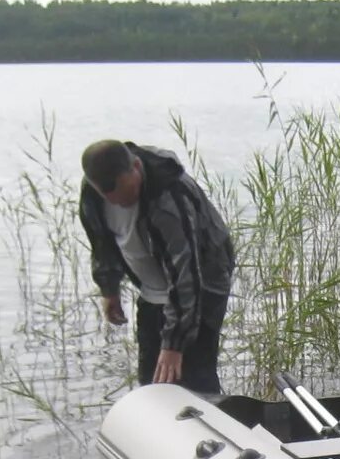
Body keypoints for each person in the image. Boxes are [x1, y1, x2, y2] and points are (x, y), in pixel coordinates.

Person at [78, 139, 235, 393]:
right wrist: (109, 289)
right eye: (114, 201)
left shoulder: (170, 196)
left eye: (128, 197)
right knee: (152, 379)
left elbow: (186, 275)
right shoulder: (93, 192)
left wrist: (175, 344)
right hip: (152, 290)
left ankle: (211, 425)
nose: (121, 204)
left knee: (194, 378)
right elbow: (101, 242)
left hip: (203, 283)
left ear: (137, 167)